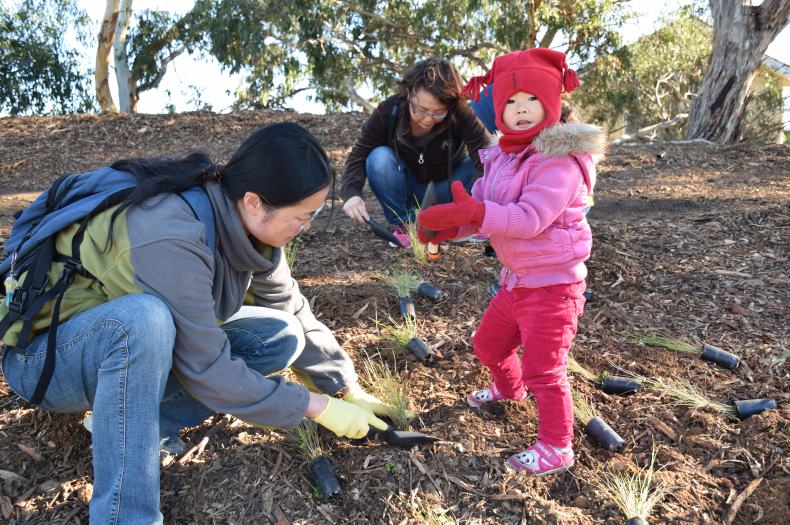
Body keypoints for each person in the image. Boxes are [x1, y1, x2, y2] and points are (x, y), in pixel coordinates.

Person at [0, 122, 404, 524]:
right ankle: (126, 517)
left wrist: (345, 388)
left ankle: (131, 426)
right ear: (254, 202)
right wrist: (313, 406)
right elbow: (206, 368)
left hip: (112, 355)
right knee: (143, 322)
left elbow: (291, 307)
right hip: (47, 360)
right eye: (302, 216)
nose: (307, 226)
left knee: (280, 335)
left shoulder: (251, 234)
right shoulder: (169, 233)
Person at [417, 49, 606, 476]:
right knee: (488, 344)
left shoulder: (560, 161)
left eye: (531, 101)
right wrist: (454, 227)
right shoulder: (503, 157)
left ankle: (558, 446)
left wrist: (477, 215)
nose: (520, 110)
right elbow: (484, 208)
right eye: (510, 103)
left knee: (546, 368)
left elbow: (530, 219)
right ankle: (509, 389)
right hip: (516, 281)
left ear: (551, 103)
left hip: (554, 287)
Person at [340, 58, 491, 248]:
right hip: (405, 188)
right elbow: (360, 153)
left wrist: (480, 208)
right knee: (379, 158)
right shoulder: (389, 110)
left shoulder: (461, 113)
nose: (428, 120)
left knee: (484, 162)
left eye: (438, 113)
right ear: (409, 93)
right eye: (420, 110)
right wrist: (352, 193)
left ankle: (463, 222)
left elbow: (485, 157)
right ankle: (406, 225)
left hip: (448, 189)